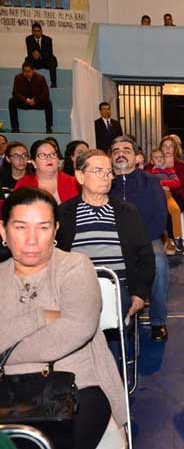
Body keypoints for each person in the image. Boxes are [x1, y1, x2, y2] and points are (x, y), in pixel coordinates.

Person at [0, 187, 128, 449]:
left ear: (56, 230)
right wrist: (39, 317)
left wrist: (6, 348)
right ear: (3, 231)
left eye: (43, 227)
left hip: (77, 386)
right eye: (21, 227)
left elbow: (77, 328)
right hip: (6, 392)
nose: (32, 239)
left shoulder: (75, 266)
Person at [57, 149, 153, 336]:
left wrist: (139, 293)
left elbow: (146, 257)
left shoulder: (127, 212)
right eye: (98, 171)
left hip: (118, 294)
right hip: (75, 295)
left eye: (109, 172)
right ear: (80, 176)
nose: (106, 177)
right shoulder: (63, 214)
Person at [110, 135, 169, 341]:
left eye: (126, 150)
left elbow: (160, 217)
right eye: (116, 151)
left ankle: (158, 321)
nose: (120, 154)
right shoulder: (104, 183)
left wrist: (139, 244)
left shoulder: (151, 182)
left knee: (159, 263)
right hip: (113, 241)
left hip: (147, 240)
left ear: (137, 157)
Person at [146, 135, 184, 254]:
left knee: (169, 210)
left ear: (175, 149)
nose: (168, 148)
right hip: (155, 195)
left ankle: (172, 239)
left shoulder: (181, 165)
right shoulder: (151, 165)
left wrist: (163, 185)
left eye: (171, 146)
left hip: (175, 195)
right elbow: (146, 180)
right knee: (153, 208)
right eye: (165, 146)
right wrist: (160, 186)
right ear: (161, 148)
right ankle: (164, 239)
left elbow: (179, 184)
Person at [14, 139, 78, 204]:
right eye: (42, 155)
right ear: (34, 163)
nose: (49, 158)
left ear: (58, 160)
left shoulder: (74, 183)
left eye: (53, 154)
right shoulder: (24, 184)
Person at [9, 61, 53, 133]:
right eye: (25, 71)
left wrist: (35, 100)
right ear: (22, 71)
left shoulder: (40, 78)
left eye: (29, 71)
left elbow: (46, 94)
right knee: (12, 101)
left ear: (33, 70)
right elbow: (15, 93)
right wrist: (25, 99)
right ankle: (15, 128)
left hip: (37, 103)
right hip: (24, 102)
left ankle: (49, 128)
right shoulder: (18, 78)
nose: (27, 73)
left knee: (48, 103)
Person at [25, 22, 58, 88]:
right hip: (34, 60)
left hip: (45, 60)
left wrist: (40, 55)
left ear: (41, 31)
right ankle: (27, 82)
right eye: (35, 31)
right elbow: (29, 52)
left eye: (38, 31)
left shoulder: (48, 39)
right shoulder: (28, 39)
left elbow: (49, 53)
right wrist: (34, 55)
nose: (37, 33)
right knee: (27, 60)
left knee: (52, 60)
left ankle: (53, 83)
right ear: (32, 32)